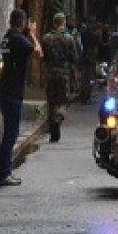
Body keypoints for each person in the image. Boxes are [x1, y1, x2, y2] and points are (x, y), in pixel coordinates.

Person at [0, 9, 42, 187]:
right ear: (22, 23)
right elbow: (38, 53)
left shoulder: (7, 38)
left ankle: (4, 171)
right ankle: (4, 174)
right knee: (11, 135)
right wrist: (32, 34)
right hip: (12, 92)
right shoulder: (18, 39)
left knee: (8, 133)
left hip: (4, 89)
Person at [42, 12, 77, 142]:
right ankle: (58, 118)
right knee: (62, 101)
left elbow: (44, 58)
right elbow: (73, 58)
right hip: (64, 74)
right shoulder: (69, 38)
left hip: (50, 73)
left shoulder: (46, 38)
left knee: (51, 102)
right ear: (63, 23)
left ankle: (53, 132)